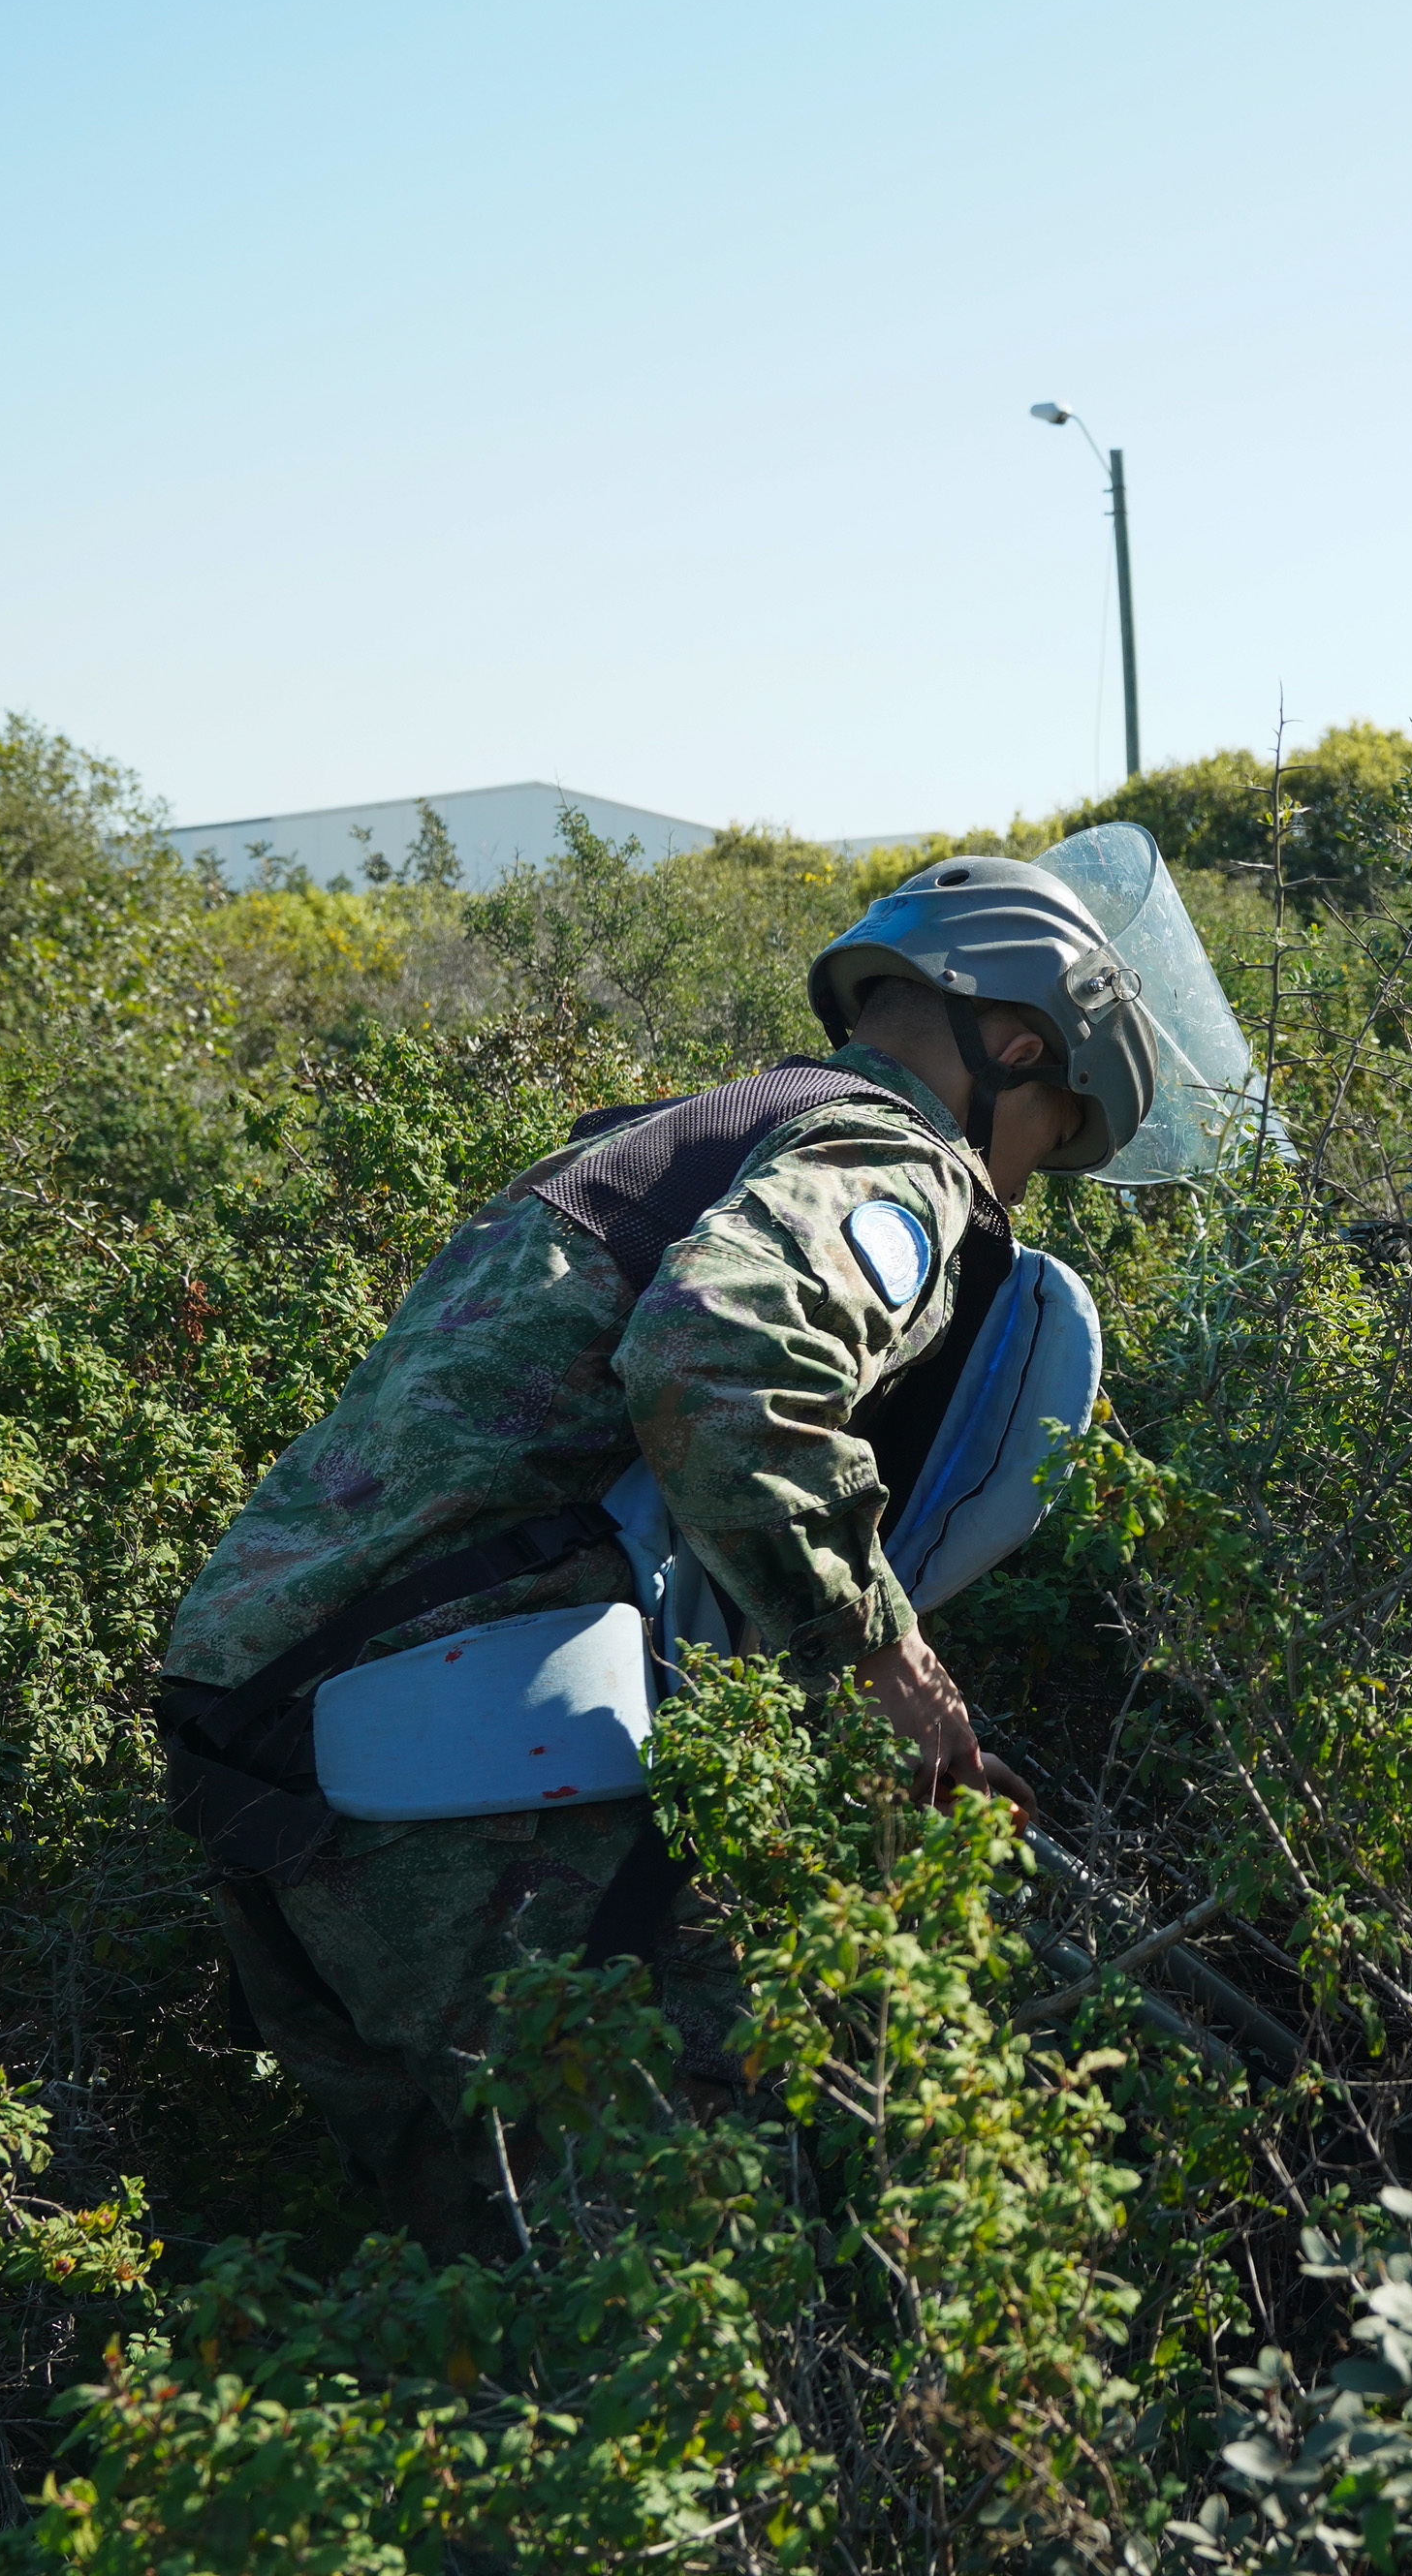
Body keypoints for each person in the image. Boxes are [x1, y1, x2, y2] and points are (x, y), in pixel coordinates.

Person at [153, 854, 1160, 2250]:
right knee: (695, 2263)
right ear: (1015, 1045)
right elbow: (722, 1368)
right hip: (454, 1758)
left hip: (273, 1733)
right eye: (1049, 1135)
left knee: (451, 2288)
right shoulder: (889, 1155)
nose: (1023, 1181)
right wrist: (889, 1659)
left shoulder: (688, 1130)